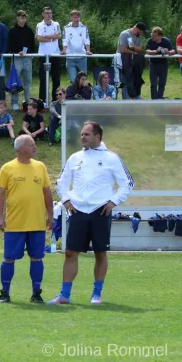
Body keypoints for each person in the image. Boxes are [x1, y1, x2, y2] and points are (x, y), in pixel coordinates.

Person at [50, 122, 134, 305]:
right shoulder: (75, 157)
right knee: (70, 253)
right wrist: (66, 200)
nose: (82, 137)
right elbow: (61, 182)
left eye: (87, 134)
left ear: (98, 137)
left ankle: (96, 294)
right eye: (82, 134)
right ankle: (64, 294)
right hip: (78, 211)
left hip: (100, 211)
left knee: (100, 253)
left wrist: (113, 202)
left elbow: (127, 183)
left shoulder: (112, 158)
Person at [0, 134, 53, 303]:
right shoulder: (7, 168)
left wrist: (50, 214)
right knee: (9, 258)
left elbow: (47, 192)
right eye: (32, 145)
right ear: (21, 148)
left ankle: (36, 293)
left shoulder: (40, 167)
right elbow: (0, 194)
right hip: (15, 223)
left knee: (37, 257)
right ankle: (5, 292)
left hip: (37, 223)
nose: (35, 148)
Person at [7, 10, 35, 110]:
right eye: (21, 17)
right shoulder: (12, 30)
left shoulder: (29, 30)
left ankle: (27, 101)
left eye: (24, 17)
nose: (23, 19)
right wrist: (17, 51)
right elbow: (10, 45)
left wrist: (28, 52)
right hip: (16, 58)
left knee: (28, 80)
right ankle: (14, 102)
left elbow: (32, 45)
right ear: (17, 18)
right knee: (15, 80)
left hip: (27, 58)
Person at [36, 7, 62, 103]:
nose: (49, 15)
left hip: (55, 54)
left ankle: (56, 100)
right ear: (43, 14)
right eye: (47, 13)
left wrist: (46, 36)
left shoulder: (56, 24)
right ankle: (42, 101)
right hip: (43, 55)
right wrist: (52, 38)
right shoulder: (39, 25)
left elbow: (58, 36)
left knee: (56, 78)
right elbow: (39, 38)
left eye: (50, 13)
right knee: (43, 78)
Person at [117, 22, 147, 100]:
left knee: (136, 81)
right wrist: (134, 52)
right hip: (124, 62)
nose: (142, 33)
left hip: (135, 63)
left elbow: (140, 50)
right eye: (142, 31)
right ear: (138, 29)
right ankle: (126, 101)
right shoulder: (125, 34)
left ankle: (136, 100)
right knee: (125, 81)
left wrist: (134, 47)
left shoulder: (138, 37)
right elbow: (123, 49)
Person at [61, 10, 92, 84]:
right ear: (71, 18)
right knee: (73, 80)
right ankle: (75, 95)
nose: (77, 19)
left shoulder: (84, 27)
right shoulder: (66, 28)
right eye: (75, 17)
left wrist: (88, 50)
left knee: (83, 80)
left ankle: (83, 95)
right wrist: (64, 50)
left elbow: (87, 40)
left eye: (78, 17)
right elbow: (65, 40)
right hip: (70, 58)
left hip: (82, 57)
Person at [146, 26, 175, 99]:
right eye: (152, 35)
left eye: (154, 35)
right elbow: (147, 51)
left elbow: (173, 51)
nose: (152, 37)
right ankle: (154, 99)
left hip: (163, 64)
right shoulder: (150, 41)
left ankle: (160, 97)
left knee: (162, 83)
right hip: (153, 64)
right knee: (153, 83)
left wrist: (167, 51)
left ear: (160, 36)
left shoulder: (166, 41)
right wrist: (156, 51)